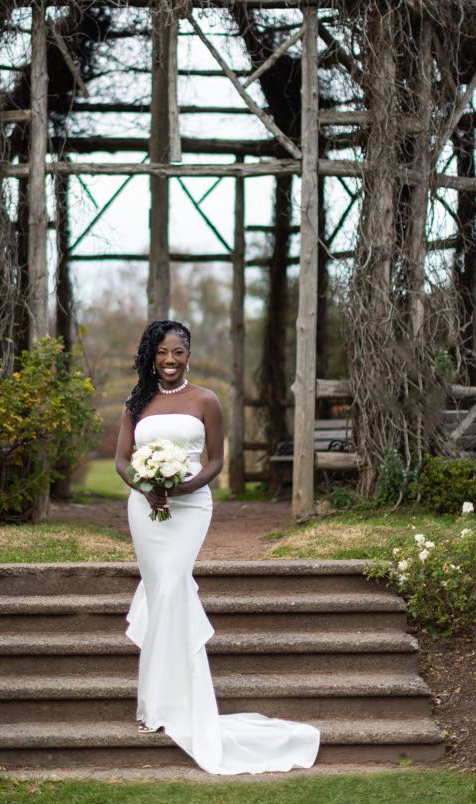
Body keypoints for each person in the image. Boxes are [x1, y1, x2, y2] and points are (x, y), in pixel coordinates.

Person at [114, 318, 321, 775]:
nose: (170, 361)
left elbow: (216, 461)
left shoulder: (207, 400)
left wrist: (183, 487)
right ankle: (153, 703)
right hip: (145, 508)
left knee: (171, 586)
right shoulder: (136, 402)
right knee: (160, 591)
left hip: (190, 507)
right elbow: (121, 460)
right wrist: (145, 486)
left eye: (179, 353)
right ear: (152, 355)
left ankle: (176, 701)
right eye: (163, 353)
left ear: (189, 355)